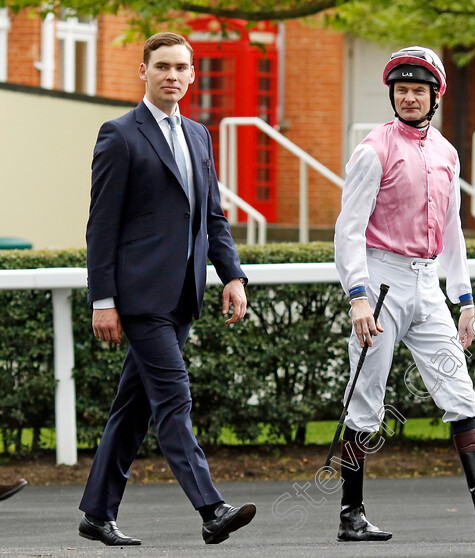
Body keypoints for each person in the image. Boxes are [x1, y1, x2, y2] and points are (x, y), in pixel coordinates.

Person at [333, 46, 475, 541]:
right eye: (401, 90)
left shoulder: (447, 153)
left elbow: (453, 230)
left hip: (427, 286)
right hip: (380, 282)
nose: (408, 98)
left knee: (460, 392)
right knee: (366, 400)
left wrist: (464, 301)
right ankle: (350, 514)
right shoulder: (372, 150)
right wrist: (357, 296)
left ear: (435, 95)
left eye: (418, 90)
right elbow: (347, 230)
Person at [79, 32, 255, 547]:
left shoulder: (199, 135)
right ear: (144, 71)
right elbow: (101, 227)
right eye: (162, 67)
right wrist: (103, 300)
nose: (172, 75)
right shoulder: (118, 135)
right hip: (138, 298)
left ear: (192, 75)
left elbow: (213, 219)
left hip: (182, 297)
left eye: (181, 67)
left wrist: (234, 276)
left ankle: (96, 513)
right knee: (174, 399)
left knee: (133, 407)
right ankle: (211, 508)